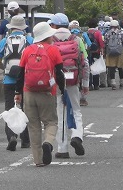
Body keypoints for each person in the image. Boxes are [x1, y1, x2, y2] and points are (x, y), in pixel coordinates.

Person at [13, 22, 65, 166]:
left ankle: (38, 160)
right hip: (48, 92)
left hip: (29, 92)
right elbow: (60, 74)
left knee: (33, 126)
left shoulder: (28, 50)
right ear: (48, 35)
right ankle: (48, 142)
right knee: (51, 122)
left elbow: (20, 74)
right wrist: (63, 90)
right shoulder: (53, 50)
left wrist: (18, 92)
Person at [49, 13, 89, 159]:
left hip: (56, 81)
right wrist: (85, 83)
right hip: (73, 79)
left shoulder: (50, 41)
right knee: (76, 110)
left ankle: (62, 148)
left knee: (60, 113)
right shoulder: (77, 40)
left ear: (53, 25)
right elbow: (84, 63)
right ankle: (77, 136)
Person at [0, 14, 32, 151]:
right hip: (25, 80)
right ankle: (26, 140)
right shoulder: (29, 40)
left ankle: (11, 137)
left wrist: (6, 69)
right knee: (25, 108)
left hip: (8, 80)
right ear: (23, 28)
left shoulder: (4, 41)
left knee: (9, 108)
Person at [103, 20, 123, 89]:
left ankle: (113, 83)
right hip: (119, 52)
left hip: (110, 53)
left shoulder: (107, 33)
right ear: (117, 26)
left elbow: (105, 44)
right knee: (120, 67)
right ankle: (121, 82)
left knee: (111, 67)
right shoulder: (121, 33)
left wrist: (104, 53)